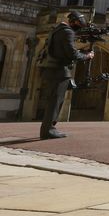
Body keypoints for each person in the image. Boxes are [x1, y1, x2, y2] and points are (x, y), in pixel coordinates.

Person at [38, 11, 94, 139]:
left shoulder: (56, 30)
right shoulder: (67, 32)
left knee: (54, 100)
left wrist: (79, 51)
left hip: (52, 69)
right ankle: (48, 131)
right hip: (59, 71)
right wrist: (87, 56)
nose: (79, 27)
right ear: (73, 21)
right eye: (79, 24)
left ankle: (49, 129)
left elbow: (62, 51)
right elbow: (72, 54)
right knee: (55, 101)